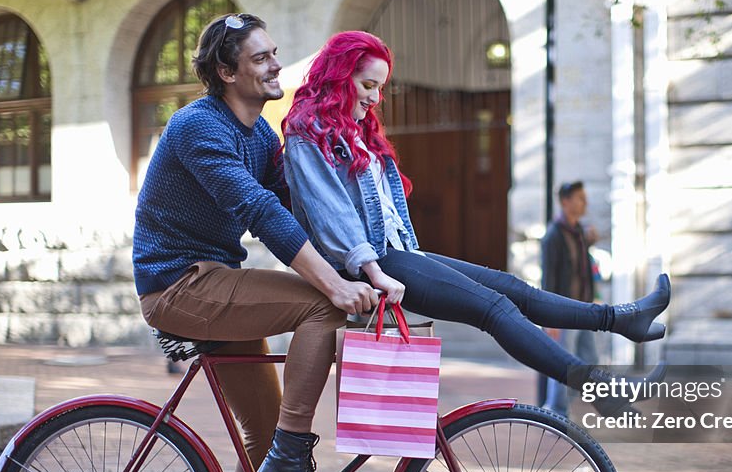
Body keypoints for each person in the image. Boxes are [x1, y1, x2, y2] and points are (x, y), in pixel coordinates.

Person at [280, 31, 669, 409]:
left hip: (395, 254)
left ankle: (621, 319)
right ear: (339, 75)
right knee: (493, 307)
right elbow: (333, 214)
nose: (375, 97)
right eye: (367, 84)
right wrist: (374, 273)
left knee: (511, 286)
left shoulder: (355, 131)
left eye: (380, 88)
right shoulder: (306, 134)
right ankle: (602, 390)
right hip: (373, 265)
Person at [132, 14, 378, 472]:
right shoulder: (197, 127)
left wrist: (369, 257)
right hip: (179, 284)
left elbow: (299, 206)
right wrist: (335, 286)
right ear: (226, 71)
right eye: (261, 58)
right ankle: (294, 460)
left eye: (275, 53)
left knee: (263, 439)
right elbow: (261, 211)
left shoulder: (262, 136)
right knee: (321, 307)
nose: (275, 66)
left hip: (219, 284)